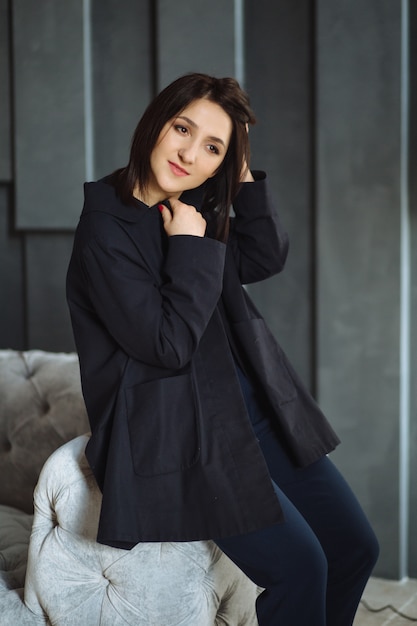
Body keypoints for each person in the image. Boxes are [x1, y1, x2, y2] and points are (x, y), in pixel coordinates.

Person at [66, 72, 379, 625]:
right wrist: (188, 246)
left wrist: (238, 174)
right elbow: (166, 345)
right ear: (154, 124)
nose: (189, 153)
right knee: (302, 568)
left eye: (212, 147)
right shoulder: (106, 230)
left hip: (253, 415)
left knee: (356, 548)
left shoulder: (191, 210)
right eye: (182, 129)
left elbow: (263, 256)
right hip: (188, 434)